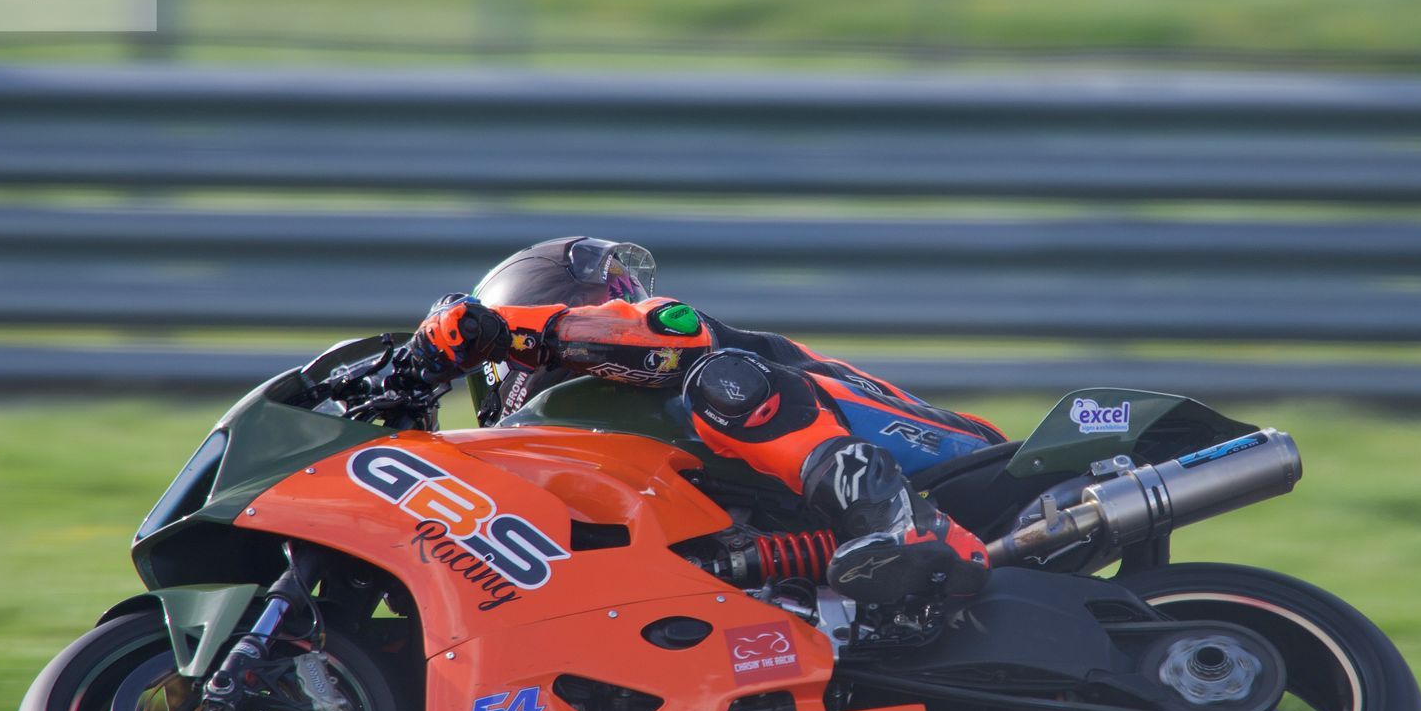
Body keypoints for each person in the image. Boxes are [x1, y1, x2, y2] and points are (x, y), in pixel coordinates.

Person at [404, 237, 1004, 607]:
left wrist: (503, 328)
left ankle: (891, 515)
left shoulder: (654, 342)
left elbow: (672, 330)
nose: (623, 297)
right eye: (610, 290)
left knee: (719, 382)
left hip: (963, 459)